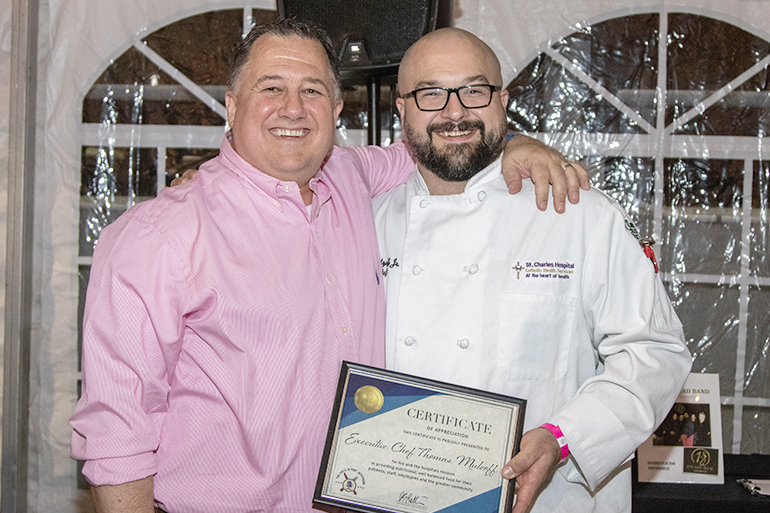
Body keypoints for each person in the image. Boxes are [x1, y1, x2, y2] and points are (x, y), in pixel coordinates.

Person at [70, 19, 588, 513]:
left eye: (313, 90)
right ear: (231, 105)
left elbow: (441, 141)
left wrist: (517, 142)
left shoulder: (349, 174)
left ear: (337, 108)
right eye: (271, 88)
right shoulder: (159, 237)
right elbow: (118, 433)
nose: (293, 109)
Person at [373, 27, 692, 513]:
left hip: (548, 499)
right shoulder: (365, 223)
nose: (454, 111)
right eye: (430, 93)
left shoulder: (578, 215)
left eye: (474, 91)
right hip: (393, 494)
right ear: (401, 109)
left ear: (502, 100)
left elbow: (653, 350)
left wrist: (561, 439)